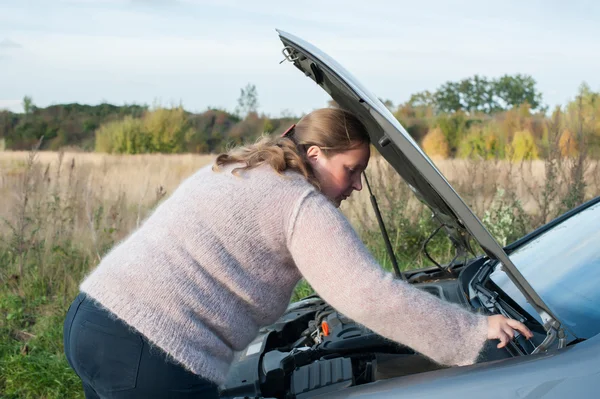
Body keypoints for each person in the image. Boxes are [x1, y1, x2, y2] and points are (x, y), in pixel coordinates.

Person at [63, 107, 532, 398]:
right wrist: (473, 330)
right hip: (154, 353)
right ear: (313, 154)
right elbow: (370, 296)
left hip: (92, 320)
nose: (356, 184)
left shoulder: (243, 168)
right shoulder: (298, 202)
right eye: (351, 169)